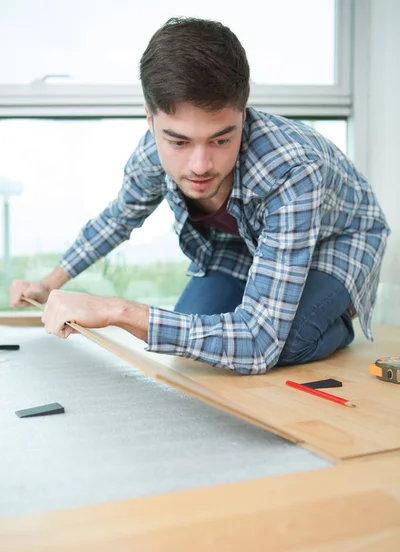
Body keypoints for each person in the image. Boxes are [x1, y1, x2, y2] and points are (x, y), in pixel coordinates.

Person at [10, 17, 390, 375]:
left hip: (336, 239)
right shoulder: (151, 155)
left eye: (221, 139)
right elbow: (116, 219)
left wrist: (116, 310)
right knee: (195, 340)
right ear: (150, 118)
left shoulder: (292, 170)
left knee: (280, 344)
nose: (200, 165)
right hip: (243, 242)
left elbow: (258, 344)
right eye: (178, 140)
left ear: (243, 115)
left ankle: (333, 318)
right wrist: (49, 283)